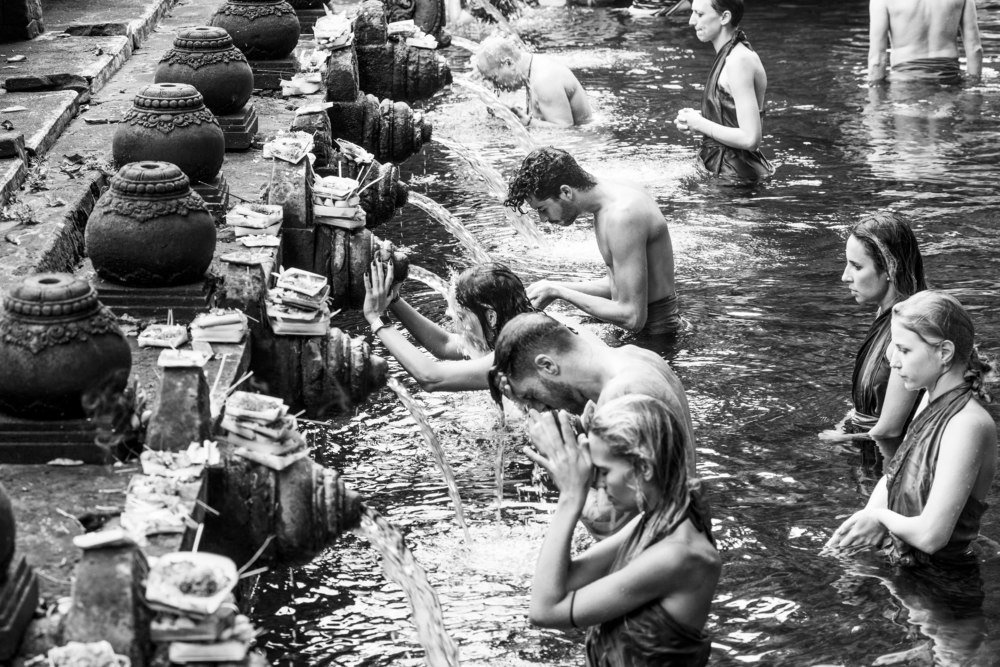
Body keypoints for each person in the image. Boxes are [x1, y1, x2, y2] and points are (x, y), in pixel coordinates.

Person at [524, 396, 720, 666]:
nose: (598, 484)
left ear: (644, 468)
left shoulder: (679, 555)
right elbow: (563, 581)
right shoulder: (660, 518)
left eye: (604, 472)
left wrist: (570, 498)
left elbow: (544, 611)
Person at [825, 291, 997, 567]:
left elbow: (931, 536)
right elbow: (896, 472)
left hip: (943, 590)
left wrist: (879, 518)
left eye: (904, 350)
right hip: (907, 569)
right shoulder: (931, 399)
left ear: (944, 352)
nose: (893, 361)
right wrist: (864, 520)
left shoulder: (967, 424)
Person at [505, 147, 680, 336]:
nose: (543, 219)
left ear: (566, 192)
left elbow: (633, 317)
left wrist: (559, 292)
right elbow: (619, 285)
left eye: (543, 209)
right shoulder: (614, 195)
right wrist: (551, 286)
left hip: (656, 337)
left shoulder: (622, 216)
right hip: (649, 329)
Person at [819, 212, 927, 447]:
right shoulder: (888, 313)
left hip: (886, 460)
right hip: (867, 446)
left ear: (889, 269)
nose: (844, 277)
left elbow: (890, 430)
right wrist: (845, 423)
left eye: (856, 266)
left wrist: (838, 440)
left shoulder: (908, 334)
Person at [362, 260, 533, 392]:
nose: (449, 315)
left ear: (491, 316)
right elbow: (443, 344)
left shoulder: (517, 353)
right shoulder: (509, 330)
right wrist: (393, 299)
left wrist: (377, 318)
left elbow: (431, 378)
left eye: (461, 315)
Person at [673, 0, 773, 183]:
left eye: (700, 14)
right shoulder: (731, 55)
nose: (691, 21)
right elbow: (734, 118)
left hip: (736, 179)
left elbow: (751, 138)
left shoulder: (739, 60)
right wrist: (698, 118)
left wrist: (700, 123)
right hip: (727, 173)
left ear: (725, 17)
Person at [473, 34, 593, 127]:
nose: (496, 85)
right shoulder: (534, 69)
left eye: (494, 78)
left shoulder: (544, 80)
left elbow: (567, 131)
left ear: (508, 63)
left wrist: (527, 122)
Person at [867, 0, 982, 85]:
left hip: (905, 81)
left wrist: (875, 103)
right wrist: (973, 85)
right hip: (948, 79)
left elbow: (877, 60)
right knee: (946, 115)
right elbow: (975, 49)